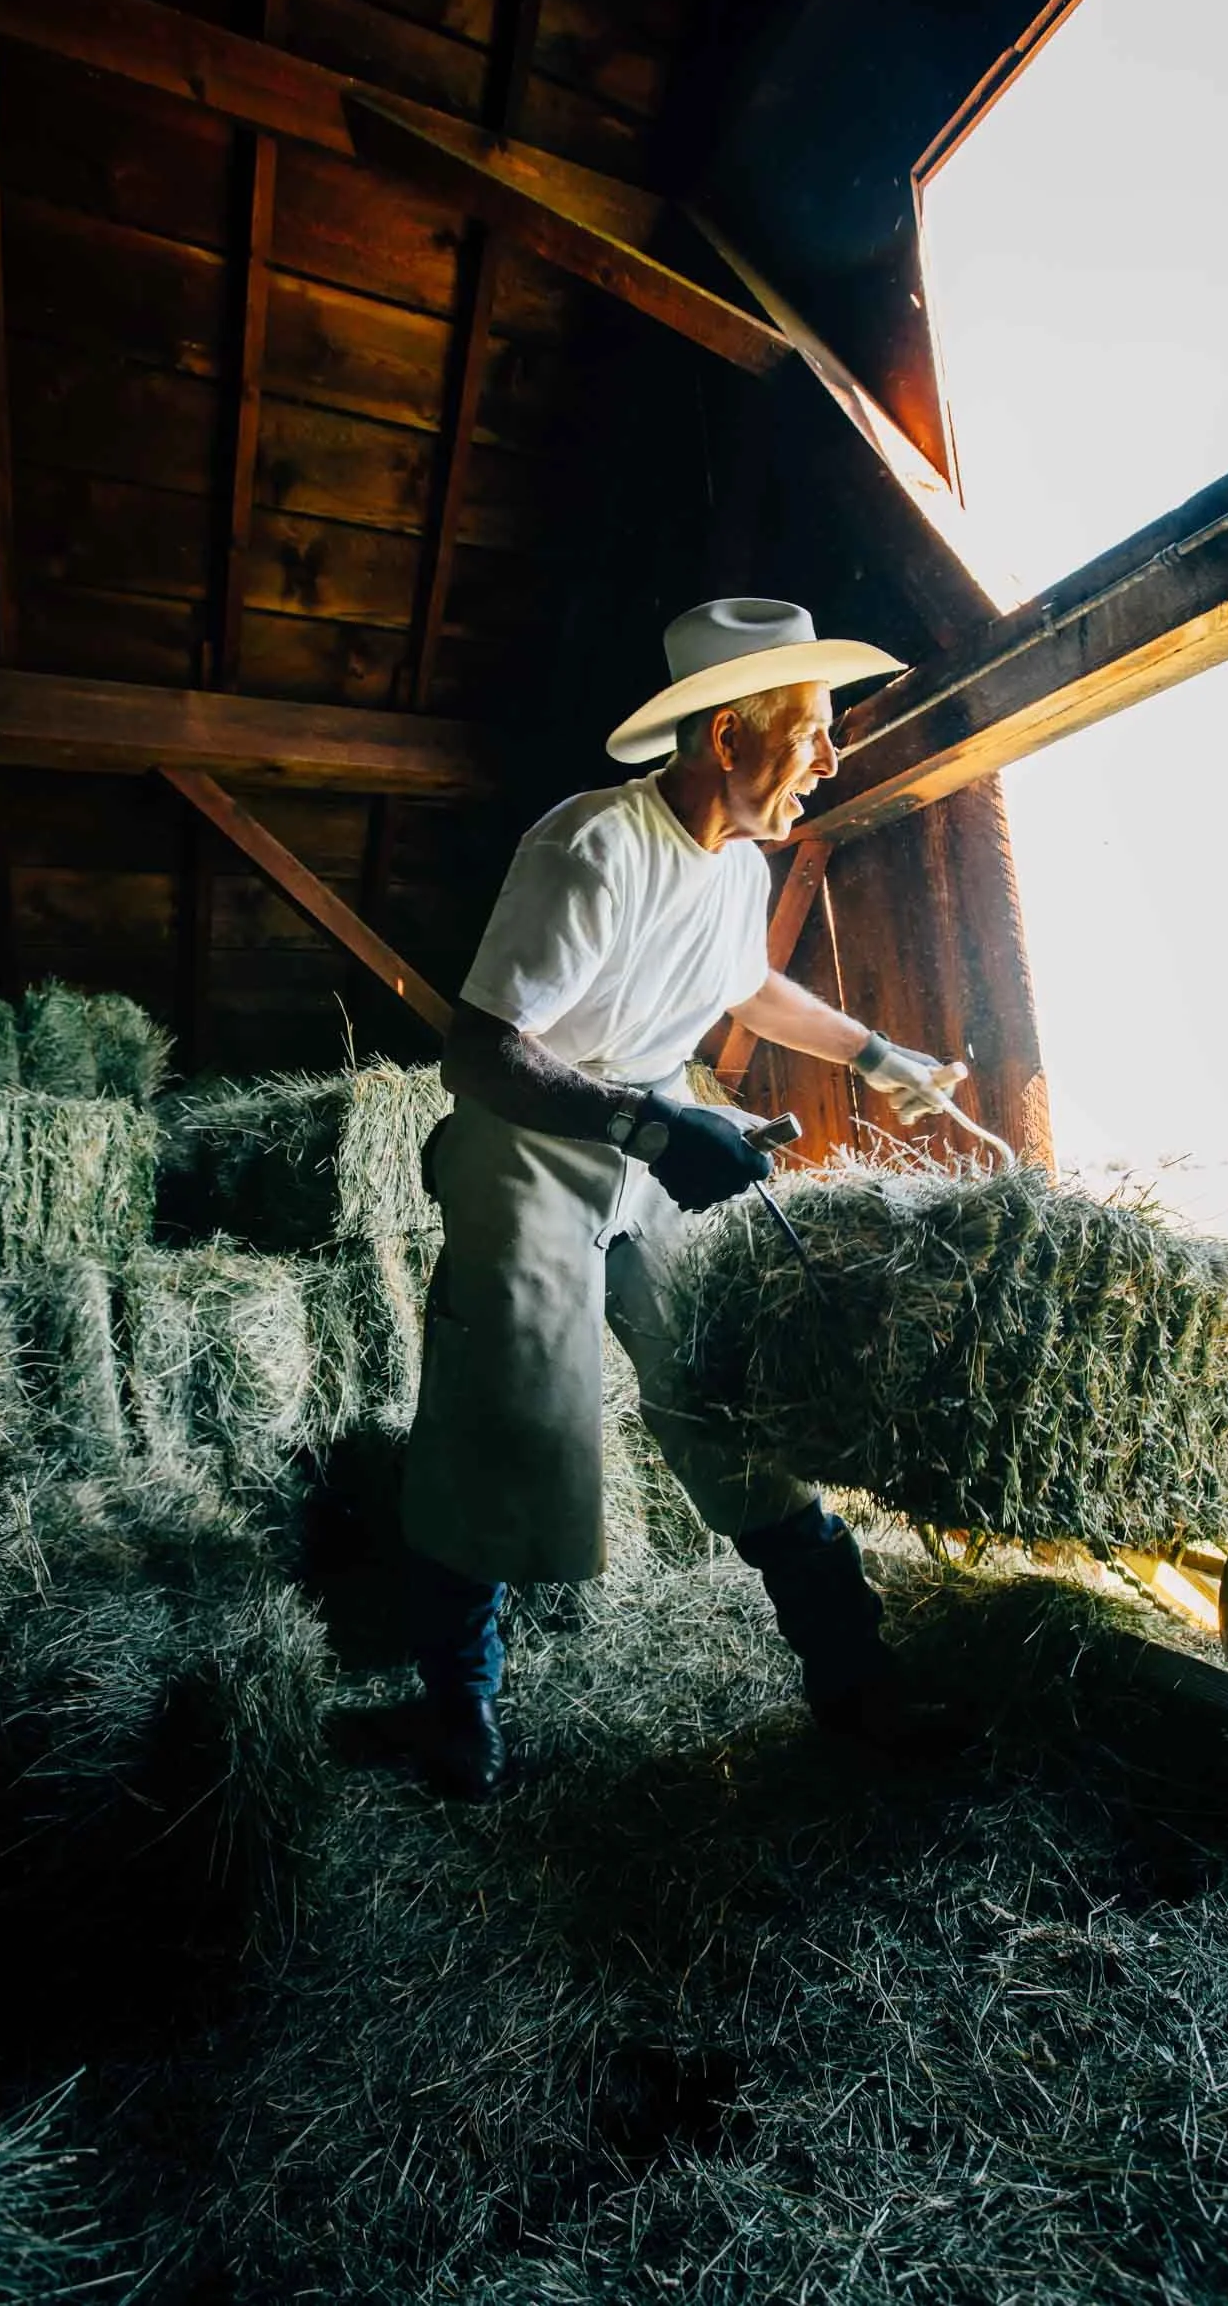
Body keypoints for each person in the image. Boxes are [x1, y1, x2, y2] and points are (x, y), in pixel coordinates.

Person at [394, 597, 972, 1797]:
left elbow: (747, 983)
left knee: (726, 1384)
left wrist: (877, 1057)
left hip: (653, 1137)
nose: (828, 756)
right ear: (726, 736)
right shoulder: (591, 846)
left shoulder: (738, 866)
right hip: (531, 1149)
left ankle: (853, 1674)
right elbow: (482, 1049)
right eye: (810, 729)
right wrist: (648, 1123)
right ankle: (458, 1708)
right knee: (501, 1416)